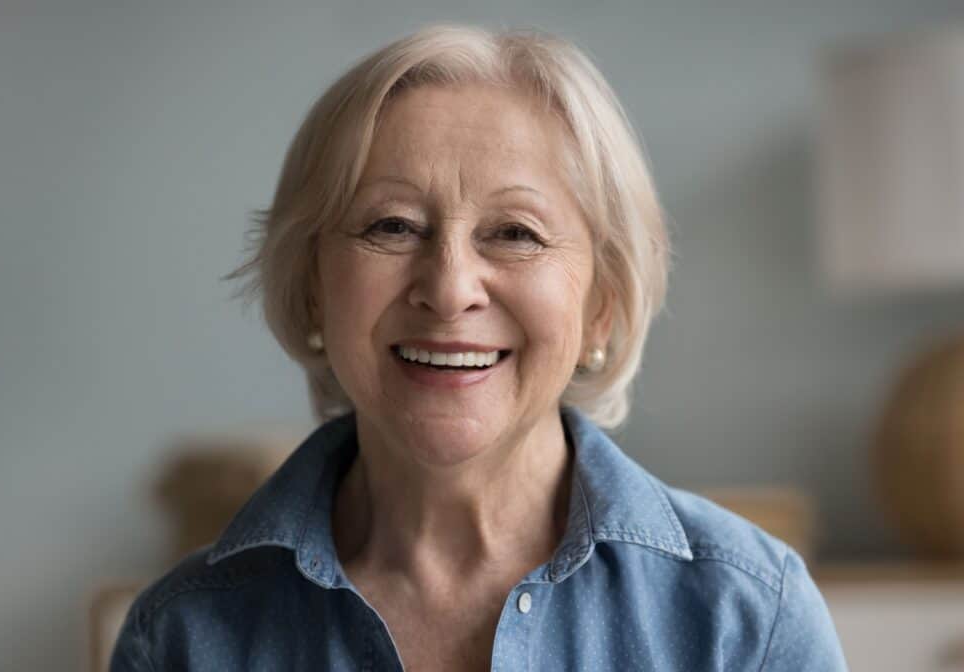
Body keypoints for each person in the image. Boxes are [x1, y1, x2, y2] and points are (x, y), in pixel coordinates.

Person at [110, 23, 847, 671]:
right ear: (311, 287)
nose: (450, 286)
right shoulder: (181, 639)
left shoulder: (749, 619)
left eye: (515, 233)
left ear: (602, 305)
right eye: (392, 226)